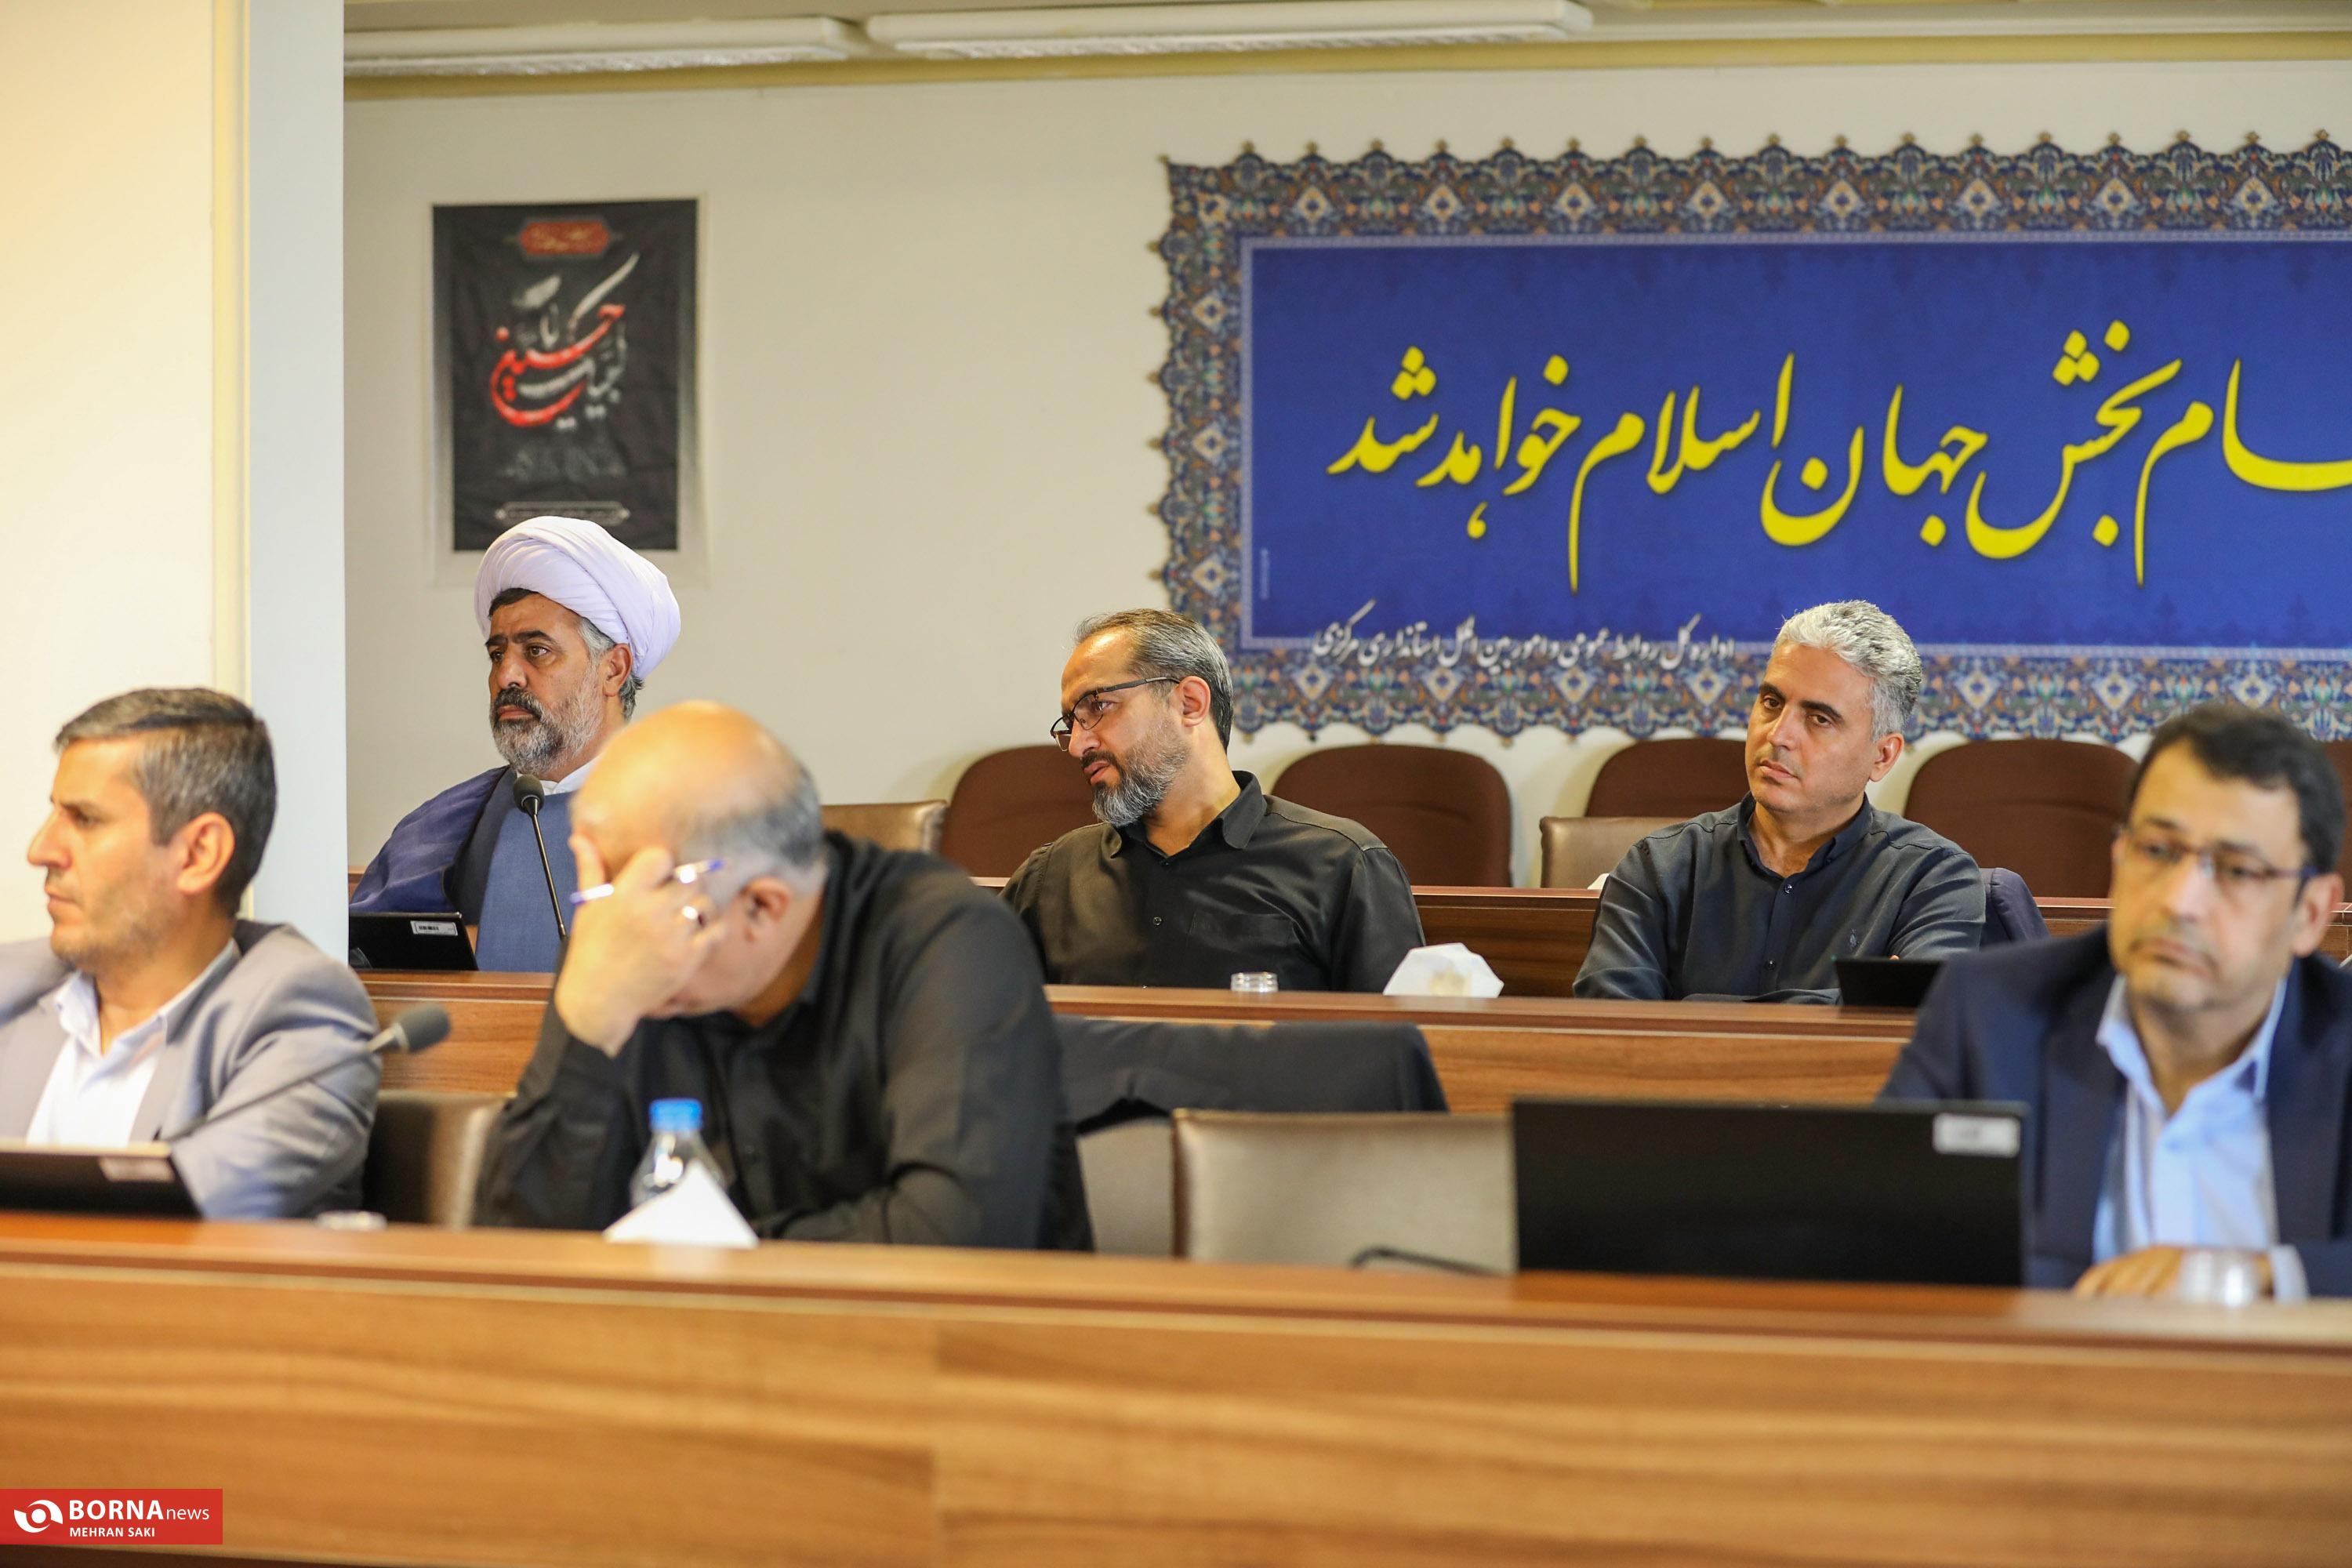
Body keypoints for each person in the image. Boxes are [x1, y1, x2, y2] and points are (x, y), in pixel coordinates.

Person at [474, 702, 1087, 1247]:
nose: (623, 928)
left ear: (763, 906)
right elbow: (519, 1243)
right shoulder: (615, 946)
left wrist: (702, 1255)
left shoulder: (946, 942)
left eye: (649, 904)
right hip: (688, 1331)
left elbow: (952, 1236)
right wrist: (587, 1022)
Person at [1884, 704, 2352, 1299]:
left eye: (2237, 871)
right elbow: (1876, 1235)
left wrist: (2255, 1277)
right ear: (2118, 858)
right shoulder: (1989, 1015)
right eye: (2157, 851)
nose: (2180, 902)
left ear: (2309, 914)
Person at [0, 689, 378, 1217]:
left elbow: (184, 1216)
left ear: (199, 854)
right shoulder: (13, 986)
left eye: (84, 819)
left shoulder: (300, 1014)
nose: (40, 850)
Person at [1574, 600, 1983, 1003]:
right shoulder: (1658, 868)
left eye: (1819, 719)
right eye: (1772, 703)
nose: (1778, 735)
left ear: (1882, 756)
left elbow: (1918, 1029)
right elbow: (1610, 1029)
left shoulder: (1933, 879)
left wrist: (1688, 1008)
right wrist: (1851, 1004)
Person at [1003, 608, 1425, 993]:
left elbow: (1402, 1042)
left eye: (1098, 706)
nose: (1079, 745)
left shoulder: (1341, 866)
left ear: (1190, 703)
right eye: (1071, 723)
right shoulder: (1050, 878)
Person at [350, 515, 681, 971]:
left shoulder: (688, 817)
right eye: (497, 654)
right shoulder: (444, 823)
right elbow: (364, 959)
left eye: (537, 651)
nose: (506, 675)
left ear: (614, 669)